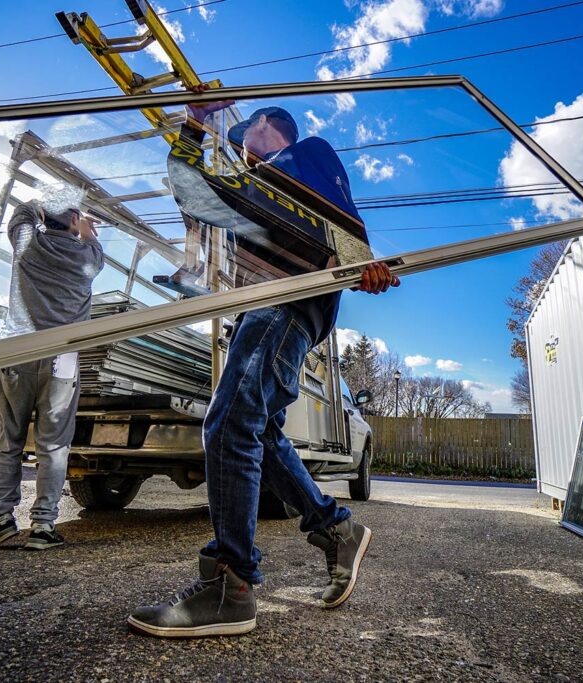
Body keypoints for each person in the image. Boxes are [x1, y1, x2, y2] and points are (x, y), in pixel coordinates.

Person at [128, 95, 400, 637]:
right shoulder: (248, 191)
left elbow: (340, 209)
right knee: (260, 431)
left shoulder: (303, 155)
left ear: (267, 125)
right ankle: (335, 529)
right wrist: (193, 125)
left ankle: (232, 584)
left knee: (229, 423)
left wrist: (359, 262)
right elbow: (190, 189)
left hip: (287, 302)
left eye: (244, 135)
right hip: (260, 309)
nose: (240, 149)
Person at [0, 198, 104, 550]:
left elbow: (22, 212)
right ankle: (42, 526)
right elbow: (93, 242)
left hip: (18, 352)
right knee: (53, 446)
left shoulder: (28, 243)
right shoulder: (87, 257)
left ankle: (1, 519)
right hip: (61, 360)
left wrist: (45, 204)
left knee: (9, 439)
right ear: (73, 220)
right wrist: (86, 228)